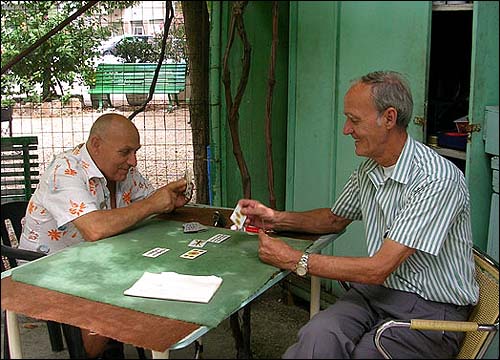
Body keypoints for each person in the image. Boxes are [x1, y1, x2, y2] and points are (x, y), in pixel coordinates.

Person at [238, 70, 479, 359]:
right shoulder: (370, 168)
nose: (346, 130)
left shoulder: (436, 179)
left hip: (431, 309)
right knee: (317, 336)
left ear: (389, 118)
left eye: (354, 120)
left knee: (366, 354)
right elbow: (334, 219)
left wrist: (294, 260)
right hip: (377, 293)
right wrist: (275, 217)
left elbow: (379, 267)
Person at [19, 112, 191, 358]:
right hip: (45, 269)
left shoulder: (124, 171)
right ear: (96, 145)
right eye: (125, 152)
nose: (133, 161)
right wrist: (153, 204)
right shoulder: (65, 170)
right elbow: (96, 229)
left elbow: (148, 207)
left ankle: (119, 342)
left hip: (96, 259)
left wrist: (168, 202)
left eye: (136, 152)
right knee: (112, 300)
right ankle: (92, 351)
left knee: (157, 274)